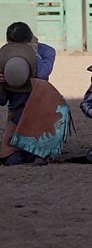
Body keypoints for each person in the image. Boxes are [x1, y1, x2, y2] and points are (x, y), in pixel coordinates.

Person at [0, 22, 57, 165]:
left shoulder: (46, 51)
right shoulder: (4, 56)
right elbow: (1, 100)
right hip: (17, 112)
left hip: (39, 107)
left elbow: (43, 74)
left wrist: (33, 53)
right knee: (10, 160)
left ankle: (39, 148)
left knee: (40, 155)